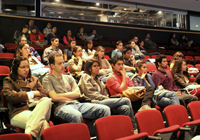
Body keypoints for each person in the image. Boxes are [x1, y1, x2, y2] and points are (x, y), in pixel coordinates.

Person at [42, 53, 110, 124]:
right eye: (59, 64)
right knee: (76, 115)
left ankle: (101, 133)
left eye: (63, 63)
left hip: (77, 104)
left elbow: (77, 94)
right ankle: (79, 135)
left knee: (105, 109)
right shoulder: (47, 79)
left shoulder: (69, 77)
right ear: (52, 66)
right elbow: (55, 97)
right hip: (61, 106)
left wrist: (61, 95)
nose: (63, 66)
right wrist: (71, 95)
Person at [78, 59, 137, 131]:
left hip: (103, 100)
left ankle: (123, 130)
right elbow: (91, 94)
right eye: (95, 66)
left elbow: (104, 91)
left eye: (98, 66)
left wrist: (107, 98)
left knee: (125, 108)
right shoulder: (85, 77)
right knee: (126, 100)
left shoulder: (97, 78)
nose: (98, 68)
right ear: (89, 68)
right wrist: (107, 99)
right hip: (93, 102)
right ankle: (133, 128)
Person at [3, 56, 52, 140]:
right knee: (42, 123)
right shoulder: (9, 80)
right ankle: (31, 133)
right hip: (19, 112)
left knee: (47, 100)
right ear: (16, 68)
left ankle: (29, 134)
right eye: (23, 67)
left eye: (27, 67)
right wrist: (33, 93)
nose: (26, 70)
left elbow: (44, 94)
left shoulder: (34, 79)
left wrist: (22, 95)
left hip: (37, 109)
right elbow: (12, 97)